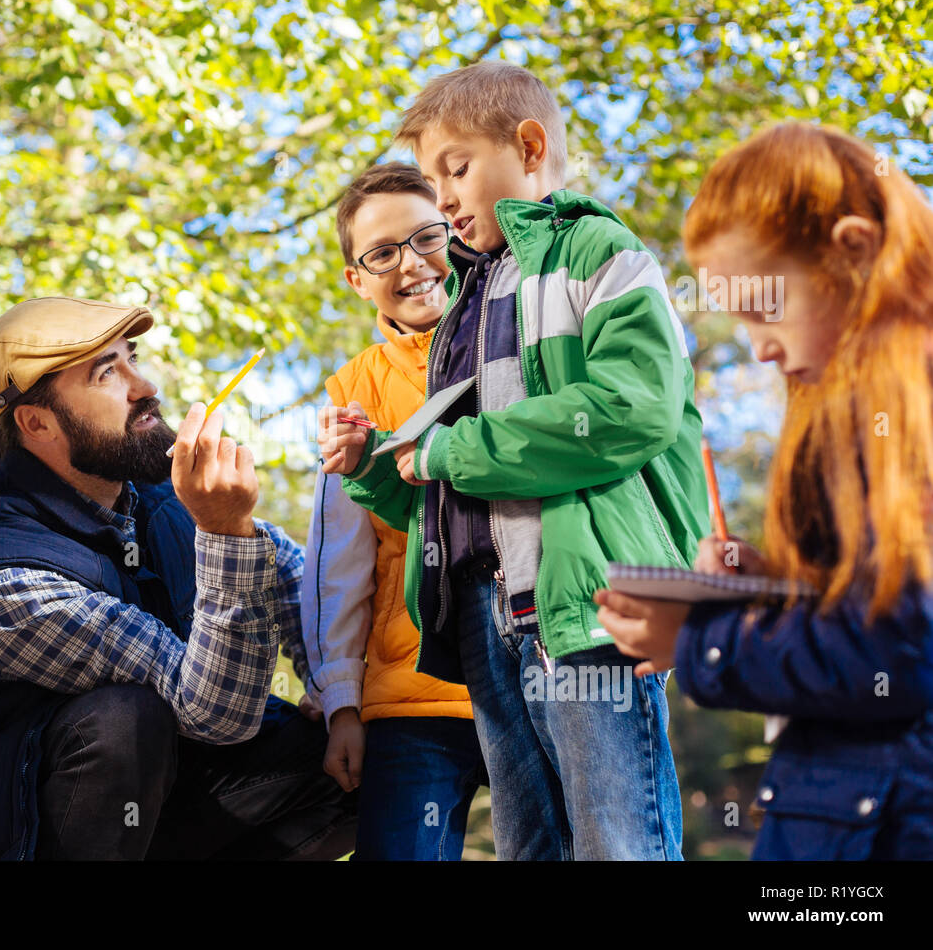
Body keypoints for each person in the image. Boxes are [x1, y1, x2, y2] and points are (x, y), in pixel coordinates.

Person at [319, 61, 708, 859]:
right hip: (486, 623)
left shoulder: (595, 250)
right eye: (433, 177)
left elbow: (631, 409)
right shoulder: (469, 303)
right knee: (530, 846)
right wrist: (374, 468)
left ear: (529, 146)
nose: (445, 196)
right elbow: (449, 496)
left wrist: (450, 450)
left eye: (454, 170)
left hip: (586, 608)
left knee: (616, 837)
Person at [0, 296, 357, 860]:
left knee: (359, 755)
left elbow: (299, 586)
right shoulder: (4, 581)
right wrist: (227, 532)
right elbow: (215, 715)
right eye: (107, 373)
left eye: (131, 357)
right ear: (37, 423)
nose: (145, 385)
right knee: (124, 721)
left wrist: (339, 697)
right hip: (0, 833)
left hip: (150, 808)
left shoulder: (161, 497)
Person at [596, 122, 933, 860]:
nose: (759, 345)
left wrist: (697, 641)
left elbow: (901, 656)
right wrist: (772, 593)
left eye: (764, 309)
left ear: (854, 249)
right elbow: (877, 607)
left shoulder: (907, 413)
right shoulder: (856, 411)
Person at [301, 161, 485, 860]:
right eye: (382, 252)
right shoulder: (352, 389)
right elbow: (338, 561)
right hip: (411, 699)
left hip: (536, 678)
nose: (411, 264)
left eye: (425, 236)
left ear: (455, 229)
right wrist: (343, 700)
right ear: (357, 277)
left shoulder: (517, 339)